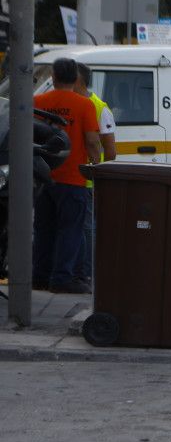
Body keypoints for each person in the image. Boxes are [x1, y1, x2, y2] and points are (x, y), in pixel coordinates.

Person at [33, 58, 101, 294]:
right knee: (70, 229)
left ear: (53, 77)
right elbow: (92, 141)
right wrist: (97, 163)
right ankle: (62, 277)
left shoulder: (37, 101)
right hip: (73, 178)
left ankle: (40, 276)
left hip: (42, 176)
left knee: (44, 229)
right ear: (75, 78)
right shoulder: (85, 105)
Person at [73, 62, 117, 288]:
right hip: (67, 178)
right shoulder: (70, 103)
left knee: (87, 229)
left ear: (78, 80)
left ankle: (87, 274)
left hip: (87, 182)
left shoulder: (99, 107)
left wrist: (100, 177)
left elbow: (110, 151)